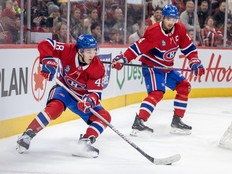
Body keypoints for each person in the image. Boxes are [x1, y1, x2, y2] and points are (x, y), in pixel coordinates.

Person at [111, 4, 205, 136]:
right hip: (152, 66)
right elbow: (137, 48)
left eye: (174, 19)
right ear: (163, 18)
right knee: (157, 93)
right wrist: (123, 59)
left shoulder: (180, 29)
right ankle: (139, 122)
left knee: (184, 86)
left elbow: (189, 49)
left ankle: (177, 121)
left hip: (166, 68)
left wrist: (195, 62)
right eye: (168, 19)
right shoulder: (154, 31)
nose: (171, 22)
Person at [16, 34, 111, 158]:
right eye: (88, 51)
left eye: (94, 50)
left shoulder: (98, 67)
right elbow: (45, 44)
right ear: (80, 51)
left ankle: (84, 143)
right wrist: (47, 60)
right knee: (55, 107)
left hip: (81, 99)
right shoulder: (68, 50)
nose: (92, 55)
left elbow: (96, 93)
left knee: (105, 117)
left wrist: (89, 101)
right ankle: (27, 135)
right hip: (64, 90)